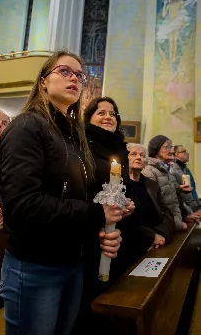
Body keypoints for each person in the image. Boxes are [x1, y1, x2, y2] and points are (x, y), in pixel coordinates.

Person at [0, 51, 122, 335]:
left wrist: (101, 231)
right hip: (35, 265)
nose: (74, 79)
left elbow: (75, 201)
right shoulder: (27, 126)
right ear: (43, 81)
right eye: (65, 71)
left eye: (80, 76)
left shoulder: (72, 136)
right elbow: (22, 206)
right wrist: (96, 213)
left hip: (71, 262)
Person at [73, 96, 134, 335]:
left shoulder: (120, 148)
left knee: (113, 293)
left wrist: (128, 204)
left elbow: (123, 188)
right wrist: (100, 215)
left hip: (117, 230)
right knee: (90, 296)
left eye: (113, 114)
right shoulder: (81, 143)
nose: (108, 117)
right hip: (89, 230)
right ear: (89, 117)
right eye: (101, 113)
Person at [125, 144, 174, 250]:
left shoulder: (151, 184)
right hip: (133, 245)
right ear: (125, 158)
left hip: (158, 242)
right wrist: (151, 237)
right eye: (133, 154)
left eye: (142, 155)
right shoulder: (121, 184)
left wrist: (161, 234)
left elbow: (167, 213)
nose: (138, 157)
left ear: (145, 161)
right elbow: (125, 221)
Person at [142, 135, 195, 231]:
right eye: (167, 147)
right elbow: (155, 205)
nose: (172, 151)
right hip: (163, 228)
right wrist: (172, 225)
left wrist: (184, 216)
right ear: (156, 149)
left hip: (173, 225)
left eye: (171, 147)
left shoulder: (166, 170)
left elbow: (171, 198)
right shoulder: (149, 170)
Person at [171, 145, 201, 219]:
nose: (187, 153)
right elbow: (185, 193)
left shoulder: (183, 167)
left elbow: (192, 189)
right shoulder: (175, 169)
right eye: (184, 151)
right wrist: (196, 209)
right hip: (187, 211)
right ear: (176, 154)